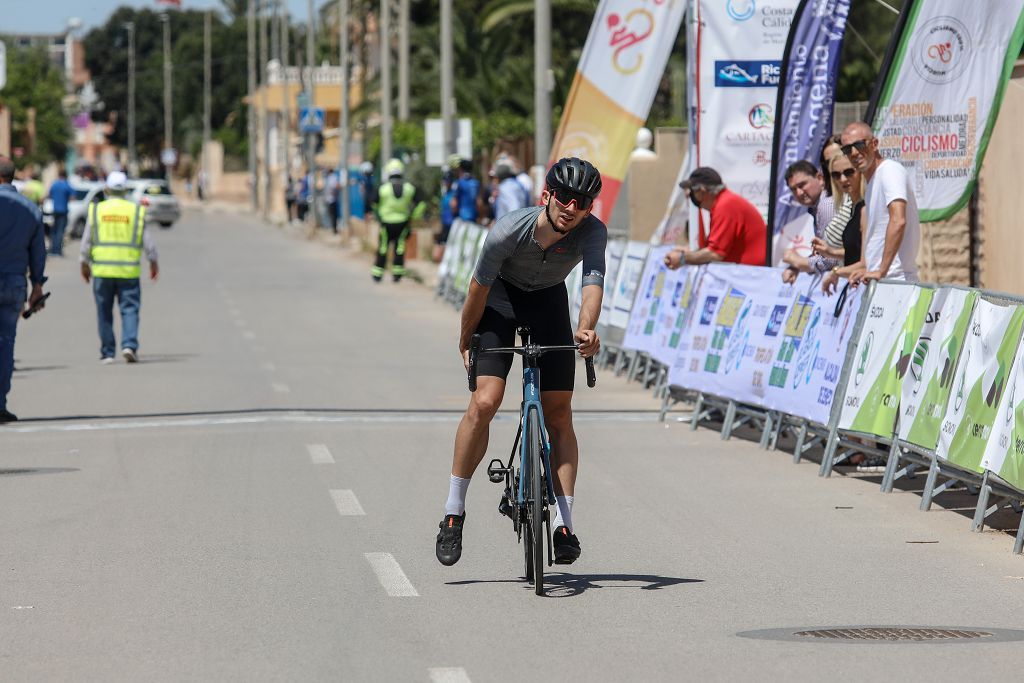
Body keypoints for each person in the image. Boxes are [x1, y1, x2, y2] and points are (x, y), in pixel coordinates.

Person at [435, 157, 606, 568]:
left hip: (548, 302)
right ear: (547, 195)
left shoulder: (592, 233)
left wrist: (585, 329)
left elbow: (591, 284)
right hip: (500, 300)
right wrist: (465, 341)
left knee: (559, 414)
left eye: (581, 201)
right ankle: (453, 513)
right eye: (564, 197)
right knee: (485, 402)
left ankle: (565, 526)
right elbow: (476, 291)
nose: (571, 207)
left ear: (589, 208)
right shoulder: (509, 230)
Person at [79, 171, 159, 364]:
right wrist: (153, 262)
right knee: (130, 309)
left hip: (102, 271)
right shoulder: (135, 211)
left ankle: (107, 352)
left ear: (106, 189)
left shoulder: (98, 210)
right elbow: (149, 243)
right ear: (125, 190)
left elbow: (86, 242)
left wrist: (84, 264)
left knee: (104, 311)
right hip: (128, 271)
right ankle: (129, 345)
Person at [839, 121, 920, 285]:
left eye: (859, 144)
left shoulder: (889, 170)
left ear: (874, 144)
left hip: (896, 282)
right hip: (883, 281)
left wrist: (882, 271)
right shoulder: (873, 183)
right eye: (847, 149)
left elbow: (898, 220)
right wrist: (868, 270)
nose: (853, 153)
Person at [0, 157, 47, 423]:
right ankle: (0, 404)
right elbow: (38, 252)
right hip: (15, 284)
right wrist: (37, 286)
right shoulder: (30, 209)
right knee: (5, 344)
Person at [664, 167, 767, 268]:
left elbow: (715, 254)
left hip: (749, 274)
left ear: (702, 191)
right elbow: (712, 249)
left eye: (691, 190)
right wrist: (686, 253)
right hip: (745, 272)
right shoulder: (723, 203)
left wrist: (682, 258)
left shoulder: (725, 206)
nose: (688, 195)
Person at [368, 159, 426, 283]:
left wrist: (378, 216)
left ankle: (378, 274)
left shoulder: (383, 188)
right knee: (399, 249)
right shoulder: (409, 188)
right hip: (403, 223)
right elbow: (421, 204)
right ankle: (397, 275)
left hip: (386, 223)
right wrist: (413, 216)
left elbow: (373, 203)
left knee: (383, 248)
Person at [780, 160, 836, 283]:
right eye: (794, 189)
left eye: (802, 185)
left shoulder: (826, 205)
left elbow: (831, 260)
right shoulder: (818, 207)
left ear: (820, 178)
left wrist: (799, 262)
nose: (799, 193)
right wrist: (798, 266)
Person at [821, 151, 866, 294]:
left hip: (867, 288)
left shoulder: (866, 208)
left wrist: (836, 272)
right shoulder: (853, 208)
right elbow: (858, 251)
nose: (842, 179)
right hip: (856, 288)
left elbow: (867, 262)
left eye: (848, 172)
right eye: (836, 175)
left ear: (860, 171)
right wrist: (832, 252)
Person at [47, 170, 74, 257]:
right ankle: (57, 250)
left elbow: (49, 195)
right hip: (63, 210)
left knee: (54, 230)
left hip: (55, 210)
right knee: (60, 231)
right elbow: (73, 196)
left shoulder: (54, 184)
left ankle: (52, 249)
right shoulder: (67, 185)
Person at [450, 159, 480, 225]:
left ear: (460, 169)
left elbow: (454, 204)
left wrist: (453, 216)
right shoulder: (476, 183)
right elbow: (479, 203)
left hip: (462, 219)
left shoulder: (458, 183)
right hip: (473, 217)